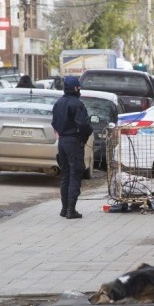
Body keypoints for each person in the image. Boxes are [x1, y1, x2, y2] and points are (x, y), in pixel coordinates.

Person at [52, 76, 93, 219]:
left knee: (65, 176)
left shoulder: (58, 103)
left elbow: (54, 123)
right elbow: (84, 125)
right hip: (73, 142)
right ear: (76, 88)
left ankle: (64, 209)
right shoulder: (77, 104)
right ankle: (71, 210)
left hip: (62, 142)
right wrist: (83, 138)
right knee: (75, 175)